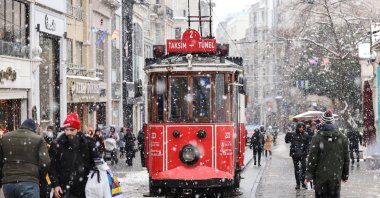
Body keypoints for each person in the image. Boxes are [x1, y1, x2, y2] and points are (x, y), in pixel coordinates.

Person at [49, 113, 100, 198]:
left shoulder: (88, 143)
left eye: (72, 130)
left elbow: (98, 163)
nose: (69, 132)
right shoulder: (57, 144)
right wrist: (55, 185)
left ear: (78, 129)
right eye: (66, 129)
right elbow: (52, 167)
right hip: (64, 189)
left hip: (84, 189)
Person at [0, 119, 51, 198]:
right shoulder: (39, 139)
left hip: (9, 183)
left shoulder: (4, 138)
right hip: (29, 183)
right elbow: (45, 163)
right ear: (33, 129)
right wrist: (38, 175)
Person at [305, 109, 349, 197]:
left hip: (320, 178)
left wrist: (309, 175)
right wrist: (345, 175)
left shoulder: (317, 137)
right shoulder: (342, 137)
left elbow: (312, 158)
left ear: (322, 122)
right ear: (333, 122)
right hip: (335, 176)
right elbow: (346, 158)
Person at [285, 122, 309, 190]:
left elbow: (307, 145)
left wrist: (306, 152)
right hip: (295, 154)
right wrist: (288, 134)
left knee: (304, 169)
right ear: (297, 128)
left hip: (303, 154)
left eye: (302, 127)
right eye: (300, 127)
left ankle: (303, 183)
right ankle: (298, 183)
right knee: (297, 169)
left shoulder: (306, 135)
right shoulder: (293, 134)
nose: (301, 128)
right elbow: (287, 141)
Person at [40, 125, 58, 198]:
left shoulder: (57, 140)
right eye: (48, 130)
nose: (49, 131)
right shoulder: (44, 140)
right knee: (45, 190)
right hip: (46, 167)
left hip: (53, 166)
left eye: (50, 130)